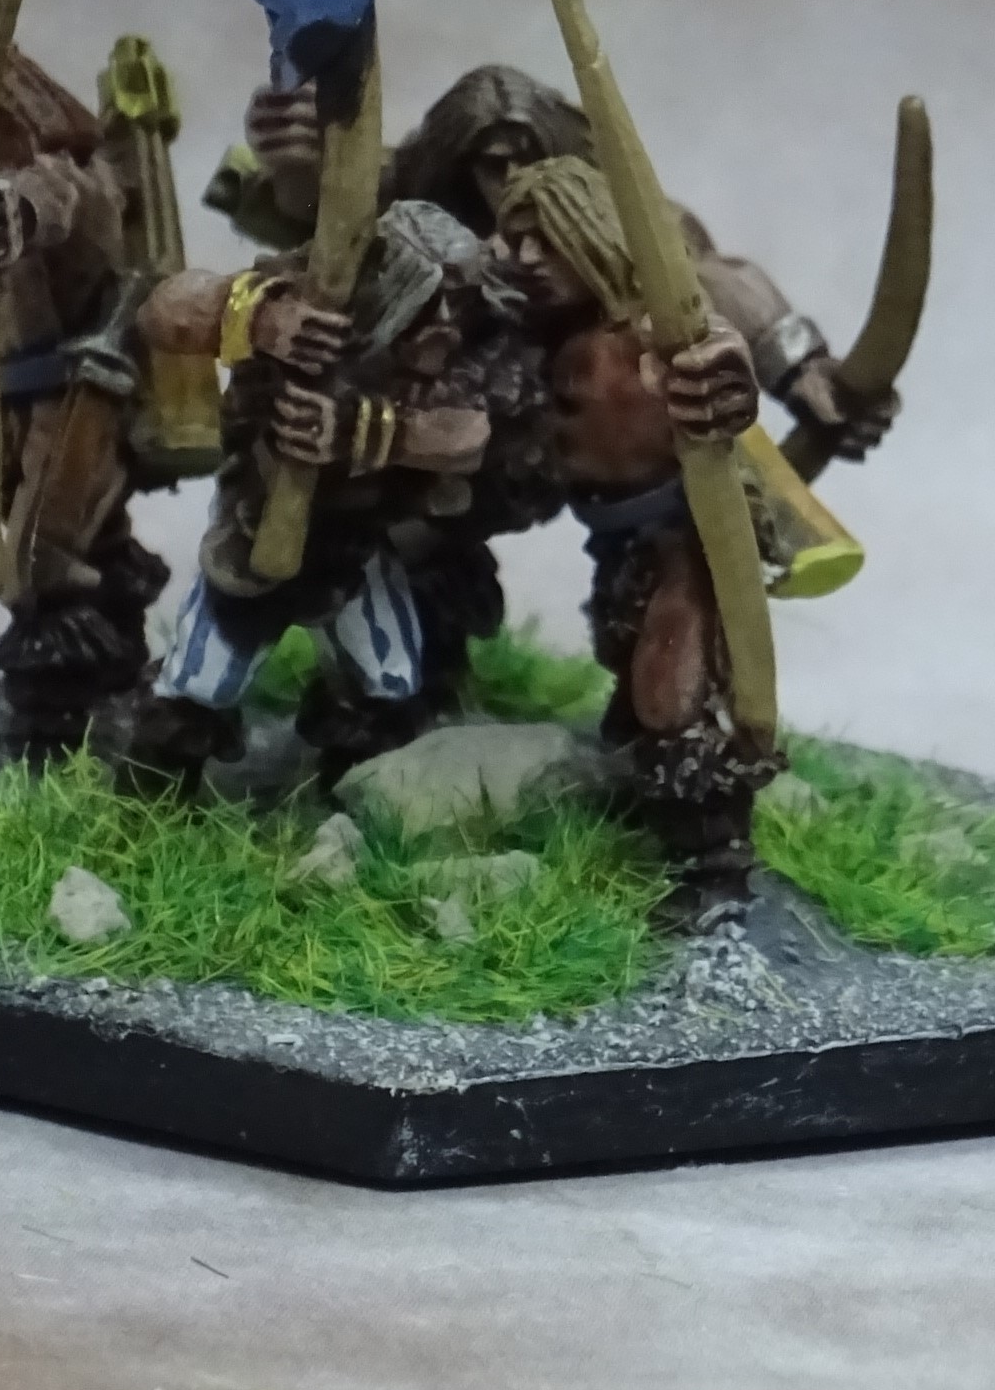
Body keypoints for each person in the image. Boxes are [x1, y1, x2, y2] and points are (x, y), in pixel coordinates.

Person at [214, 64, 898, 463]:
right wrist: (297, 160)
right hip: (435, 427)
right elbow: (336, 211)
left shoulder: (609, 215)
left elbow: (711, 274)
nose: (513, 180)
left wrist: (804, 371)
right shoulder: (427, 201)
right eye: (494, 164)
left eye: (528, 158)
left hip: (580, 422)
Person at [111, 203, 539, 789]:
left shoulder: (475, 343)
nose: (444, 318)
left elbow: (468, 437)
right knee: (200, 682)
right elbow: (166, 311)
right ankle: (151, 796)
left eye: (457, 300)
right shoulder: (307, 297)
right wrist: (261, 318)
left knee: (389, 678)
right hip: (255, 532)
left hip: (355, 547)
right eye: (429, 297)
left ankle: (359, 793)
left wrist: (356, 430)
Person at [487, 156, 782, 931]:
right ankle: (648, 795)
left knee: (670, 693)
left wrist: (722, 378)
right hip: (615, 541)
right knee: (629, 670)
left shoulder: (651, 328)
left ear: (590, 232)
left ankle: (714, 866)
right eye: (516, 239)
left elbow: (714, 346)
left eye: (546, 239)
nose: (527, 258)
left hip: (685, 535)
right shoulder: (542, 331)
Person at [0, 47, 181, 754]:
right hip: (13, 398)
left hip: (76, 403)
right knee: (72, 543)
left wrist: (11, 211)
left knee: (43, 560)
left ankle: (66, 721)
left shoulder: (71, 178)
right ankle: (104, 678)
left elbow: (57, 202)